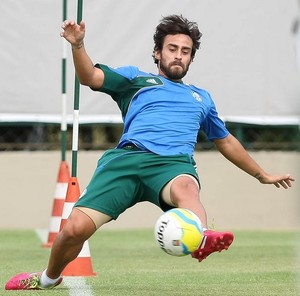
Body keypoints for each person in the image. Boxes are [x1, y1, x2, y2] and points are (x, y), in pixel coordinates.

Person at [5, 15, 294, 290]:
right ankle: (48, 278)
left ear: (191, 58)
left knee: (185, 187)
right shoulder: (136, 80)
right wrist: (78, 45)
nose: (179, 55)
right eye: (172, 49)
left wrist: (261, 174)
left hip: (171, 165)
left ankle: (201, 236)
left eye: (185, 51)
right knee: (74, 230)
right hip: (126, 162)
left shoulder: (201, 98)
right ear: (157, 53)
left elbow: (226, 140)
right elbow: (90, 77)